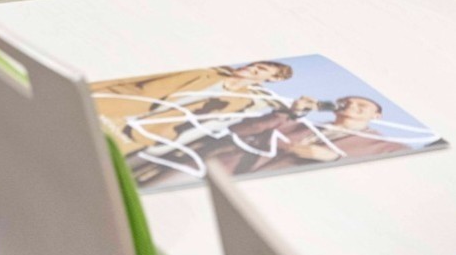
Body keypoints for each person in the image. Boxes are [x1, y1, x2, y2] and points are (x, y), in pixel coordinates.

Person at [95, 61, 294, 163]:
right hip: (109, 108)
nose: (251, 67)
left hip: (138, 134)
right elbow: (132, 77)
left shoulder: (242, 102)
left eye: (260, 68)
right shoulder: (203, 70)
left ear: (273, 79)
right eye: (252, 64)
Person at [209, 94, 409, 175]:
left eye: (362, 105)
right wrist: (291, 112)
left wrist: (337, 158)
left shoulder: (386, 147)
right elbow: (238, 131)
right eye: (346, 101)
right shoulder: (295, 124)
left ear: (377, 115)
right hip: (225, 172)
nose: (352, 105)